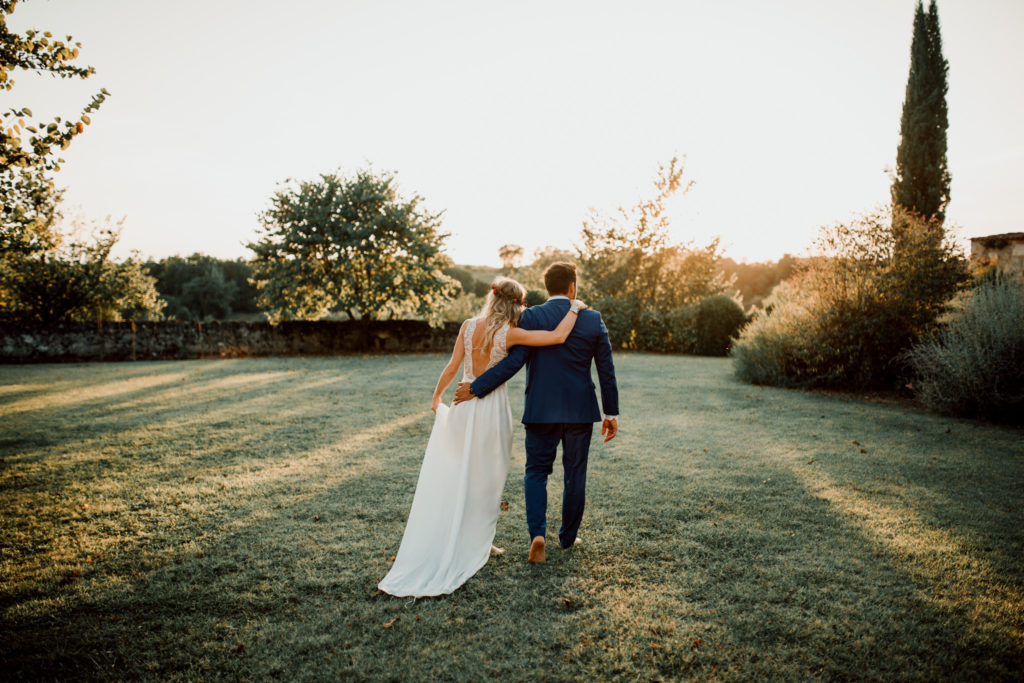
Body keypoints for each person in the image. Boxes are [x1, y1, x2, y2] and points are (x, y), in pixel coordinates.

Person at [378, 276, 588, 597]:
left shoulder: (467, 325)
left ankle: (479, 540)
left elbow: (452, 366)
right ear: (517, 304)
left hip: (462, 405)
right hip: (491, 411)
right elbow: (558, 337)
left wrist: (437, 398)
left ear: (492, 298)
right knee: (487, 478)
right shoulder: (511, 333)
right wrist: (574, 309)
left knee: (462, 471)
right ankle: (478, 542)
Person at [454, 262, 618, 564]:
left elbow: (513, 362)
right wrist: (610, 413)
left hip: (540, 409)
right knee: (575, 474)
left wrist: (477, 387)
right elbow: (606, 370)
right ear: (572, 287)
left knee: (536, 472)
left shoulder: (530, 316)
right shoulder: (592, 318)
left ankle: (537, 535)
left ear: (548, 287)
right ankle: (568, 537)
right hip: (580, 412)